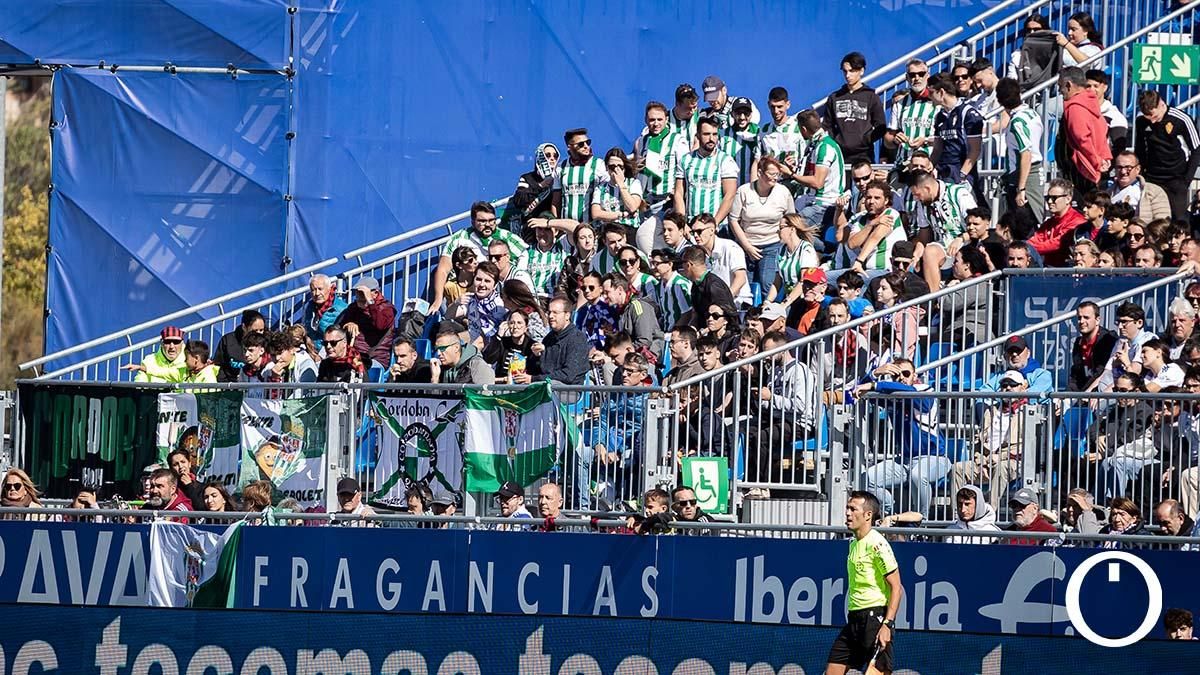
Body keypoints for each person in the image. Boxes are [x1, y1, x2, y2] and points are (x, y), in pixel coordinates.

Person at [857, 359, 948, 517]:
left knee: (918, 475)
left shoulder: (924, 389)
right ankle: (891, 514)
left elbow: (917, 398)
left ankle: (920, 523)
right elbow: (862, 392)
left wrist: (876, 385)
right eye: (895, 375)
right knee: (867, 478)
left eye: (906, 374)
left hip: (935, 458)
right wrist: (875, 373)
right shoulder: (893, 397)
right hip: (905, 461)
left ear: (914, 375)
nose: (901, 378)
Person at [824, 491, 902, 675]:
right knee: (832, 671)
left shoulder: (877, 544)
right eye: (847, 508)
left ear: (868, 515)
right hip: (854, 620)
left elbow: (897, 588)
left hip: (874, 620)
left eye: (853, 509)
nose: (848, 513)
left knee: (878, 672)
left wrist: (887, 625)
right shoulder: (853, 543)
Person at [430, 201, 528, 314]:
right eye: (482, 221)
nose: (488, 224)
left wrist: (516, 279)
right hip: (463, 293)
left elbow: (524, 253)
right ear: (472, 222)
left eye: (491, 220)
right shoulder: (460, 238)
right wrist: (437, 300)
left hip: (495, 293)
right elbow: (442, 269)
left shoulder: (505, 236)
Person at [729, 156, 794, 290]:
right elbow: (733, 219)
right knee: (745, 286)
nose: (775, 178)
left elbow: (791, 218)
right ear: (760, 173)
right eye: (771, 174)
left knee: (767, 284)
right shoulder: (744, 191)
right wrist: (747, 246)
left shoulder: (783, 192)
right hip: (747, 243)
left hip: (772, 243)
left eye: (777, 174)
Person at [1087, 373, 1156, 499]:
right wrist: (1098, 435)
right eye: (1116, 390)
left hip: (1130, 455)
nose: (1119, 394)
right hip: (1109, 453)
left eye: (1123, 391)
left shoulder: (1143, 412)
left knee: (1108, 462)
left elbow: (1129, 440)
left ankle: (1112, 504)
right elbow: (1093, 427)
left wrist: (1104, 454)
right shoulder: (1115, 409)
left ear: (1137, 391)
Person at [1135, 90, 1200, 221]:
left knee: (1178, 220)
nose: (1152, 122)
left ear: (1161, 105)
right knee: (1151, 219)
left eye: (1153, 116)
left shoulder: (1181, 119)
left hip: (1175, 179)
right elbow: (1140, 149)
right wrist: (1142, 173)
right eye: (1147, 117)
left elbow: (1197, 149)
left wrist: (1185, 180)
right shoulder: (1141, 121)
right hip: (1152, 178)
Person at [634, 101, 691, 245]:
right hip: (646, 202)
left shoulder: (677, 140)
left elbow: (684, 171)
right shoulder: (641, 141)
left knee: (658, 241)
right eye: (652, 120)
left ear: (666, 119)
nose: (656, 123)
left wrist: (677, 194)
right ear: (646, 120)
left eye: (659, 119)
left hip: (667, 202)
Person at [911, 172, 976, 291]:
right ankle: (934, 299)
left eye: (917, 194)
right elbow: (925, 235)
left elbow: (977, 226)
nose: (916, 198)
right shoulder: (922, 203)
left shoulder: (959, 193)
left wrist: (961, 238)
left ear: (927, 188)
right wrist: (917, 252)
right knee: (929, 251)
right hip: (943, 246)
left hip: (967, 243)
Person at [1055, 67, 1111, 198]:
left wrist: (1096, 161)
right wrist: (1104, 157)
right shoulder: (1090, 103)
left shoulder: (1075, 107)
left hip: (1080, 170)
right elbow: (1102, 131)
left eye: (1060, 86)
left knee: (1081, 211)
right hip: (1088, 169)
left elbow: (1082, 139)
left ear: (1068, 85)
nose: (1059, 90)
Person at [824, 51, 887, 167]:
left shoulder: (871, 96)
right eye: (845, 71)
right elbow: (827, 125)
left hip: (864, 154)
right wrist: (836, 142)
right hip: (840, 153)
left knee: (864, 183)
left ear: (861, 71)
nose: (848, 75)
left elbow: (881, 125)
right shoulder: (834, 97)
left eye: (852, 71)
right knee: (843, 185)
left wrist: (866, 140)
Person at [675, 116, 738, 228]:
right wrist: (683, 224)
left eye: (714, 134)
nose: (711, 139)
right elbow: (679, 193)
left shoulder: (725, 160)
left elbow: (730, 195)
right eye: (706, 134)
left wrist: (714, 224)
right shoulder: (686, 160)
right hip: (691, 224)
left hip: (717, 226)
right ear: (698, 135)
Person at [996, 77, 1045, 222]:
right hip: (1033, 171)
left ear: (1000, 101)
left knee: (1025, 224)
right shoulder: (1033, 114)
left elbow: (1026, 154)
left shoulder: (1017, 122)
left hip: (1024, 176)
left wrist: (1021, 189)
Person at [833, 179, 905, 276]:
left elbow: (876, 237)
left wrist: (858, 262)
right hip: (860, 271)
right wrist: (871, 224)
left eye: (877, 198)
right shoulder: (860, 218)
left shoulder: (891, 214)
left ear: (886, 200)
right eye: (868, 197)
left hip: (882, 272)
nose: (871, 201)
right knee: (824, 279)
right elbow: (851, 243)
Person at [793, 109, 846, 239]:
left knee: (790, 229)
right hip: (814, 200)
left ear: (804, 129)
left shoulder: (825, 147)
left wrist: (792, 175)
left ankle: (827, 251)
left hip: (825, 204)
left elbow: (817, 182)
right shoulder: (817, 144)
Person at [928, 72, 982, 187]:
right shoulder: (940, 116)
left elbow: (975, 150)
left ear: (941, 92)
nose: (929, 96)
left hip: (962, 173)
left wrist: (962, 175)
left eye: (931, 92)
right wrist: (929, 168)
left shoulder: (968, 113)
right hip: (944, 172)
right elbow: (937, 149)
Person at [885, 58, 939, 169]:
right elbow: (888, 140)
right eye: (912, 75)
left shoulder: (937, 102)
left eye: (921, 74)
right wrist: (896, 138)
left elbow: (946, 138)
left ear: (927, 75)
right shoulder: (899, 104)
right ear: (907, 78)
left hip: (929, 164)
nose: (917, 78)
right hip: (904, 163)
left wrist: (925, 140)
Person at [334, 276, 395, 369]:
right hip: (353, 355)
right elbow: (337, 329)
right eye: (357, 292)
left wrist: (370, 302)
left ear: (375, 293)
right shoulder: (353, 308)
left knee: (350, 367)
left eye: (363, 293)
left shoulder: (387, 309)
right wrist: (347, 325)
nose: (359, 296)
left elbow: (380, 325)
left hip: (375, 358)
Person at [502, 142, 559, 234]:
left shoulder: (560, 178)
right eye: (547, 155)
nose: (552, 158)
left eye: (555, 156)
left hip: (553, 229)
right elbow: (519, 200)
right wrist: (541, 186)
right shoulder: (528, 178)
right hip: (531, 229)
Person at [1029, 178, 1086, 267]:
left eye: (1054, 198)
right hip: (1049, 270)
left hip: (1066, 271)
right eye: (1048, 198)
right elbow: (1034, 240)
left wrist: (1027, 249)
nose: (1050, 201)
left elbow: (1056, 244)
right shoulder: (1049, 223)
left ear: (1068, 199)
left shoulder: (1077, 221)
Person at [767, 213, 821, 306]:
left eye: (781, 228)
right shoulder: (781, 250)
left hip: (804, 299)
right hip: (789, 299)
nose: (778, 231)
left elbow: (804, 281)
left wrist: (785, 303)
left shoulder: (806, 249)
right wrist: (767, 301)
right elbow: (777, 281)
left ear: (792, 229)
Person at [757, 86, 805, 189]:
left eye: (780, 106)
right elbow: (757, 161)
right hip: (770, 187)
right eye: (772, 107)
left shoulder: (798, 127)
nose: (776, 111)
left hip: (796, 185)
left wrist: (794, 167)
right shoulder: (763, 131)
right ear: (768, 105)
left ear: (788, 105)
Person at [536, 295, 591, 385]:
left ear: (567, 315)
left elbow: (568, 375)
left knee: (551, 386)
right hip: (547, 385)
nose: (550, 316)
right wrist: (535, 357)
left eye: (555, 313)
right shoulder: (548, 339)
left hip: (570, 391)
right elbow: (541, 370)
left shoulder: (577, 338)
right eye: (549, 312)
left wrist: (535, 379)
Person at [590, 147, 645, 231]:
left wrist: (621, 184)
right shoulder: (600, 188)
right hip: (607, 230)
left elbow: (632, 207)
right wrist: (621, 214)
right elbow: (596, 213)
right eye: (612, 167)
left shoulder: (634, 183)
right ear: (606, 168)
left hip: (629, 229)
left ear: (625, 167)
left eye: (620, 167)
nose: (616, 170)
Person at [1069, 301, 1118, 392]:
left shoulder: (1108, 339)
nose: (1082, 321)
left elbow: (1101, 372)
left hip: (1102, 392)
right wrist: (1066, 396)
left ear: (1097, 320)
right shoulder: (1078, 342)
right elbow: (1075, 374)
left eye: (1086, 317)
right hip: (1083, 393)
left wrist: (1083, 394)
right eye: (1079, 318)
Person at [483, 309, 541, 382]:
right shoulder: (503, 342)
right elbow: (488, 359)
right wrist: (498, 336)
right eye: (512, 323)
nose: (515, 327)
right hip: (502, 384)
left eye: (519, 323)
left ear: (526, 327)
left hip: (524, 386)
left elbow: (536, 370)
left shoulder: (532, 345)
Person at [644, 248, 692, 332]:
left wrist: (674, 333)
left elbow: (687, 313)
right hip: (666, 332)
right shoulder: (659, 286)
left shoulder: (679, 284)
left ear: (670, 264)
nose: (653, 267)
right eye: (652, 263)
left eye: (657, 263)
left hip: (679, 334)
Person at [1084, 69, 1129, 157]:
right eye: (1088, 86)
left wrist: (1105, 168)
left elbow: (1118, 149)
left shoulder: (1115, 117)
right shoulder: (1077, 111)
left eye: (1096, 86)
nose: (1091, 89)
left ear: (1105, 88)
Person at [214, 310, 266, 382]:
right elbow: (219, 364)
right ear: (244, 327)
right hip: (230, 386)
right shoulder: (228, 340)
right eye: (255, 330)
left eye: (261, 330)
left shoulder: (266, 340)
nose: (258, 334)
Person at [430, 328, 494, 385]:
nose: (438, 353)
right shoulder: (439, 369)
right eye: (436, 349)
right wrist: (435, 379)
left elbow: (485, 397)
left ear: (456, 348)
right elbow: (435, 398)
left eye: (442, 348)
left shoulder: (477, 366)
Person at [123, 325, 187, 382]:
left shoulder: (189, 361)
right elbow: (139, 383)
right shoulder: (150, 360)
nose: (172, 346)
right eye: (167, 342)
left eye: (176, 342)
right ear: (161, 343)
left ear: (182, 343)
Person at [720, 97, 761, 184]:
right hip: (728, 189)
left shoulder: (759, 133)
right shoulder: (722, 135)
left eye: (746, 113)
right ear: (732, 114)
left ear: (751, 114)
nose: (742, 117)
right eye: (738, 113)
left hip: (751, 189)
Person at [301, 274, 347, 352]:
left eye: (320, 289)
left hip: (330, 352)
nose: (316, 293)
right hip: (311, 351)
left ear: (329, 289)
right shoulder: (309, 307)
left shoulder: (342, 309)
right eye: (313, 290)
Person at [1162, 297, 1197, 361]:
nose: (1177, 325)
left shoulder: (1197, 344)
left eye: (1182, 320)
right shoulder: (1163, 344)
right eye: (1173, 321)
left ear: (1193, 322)